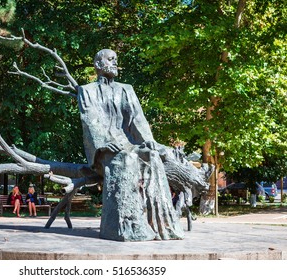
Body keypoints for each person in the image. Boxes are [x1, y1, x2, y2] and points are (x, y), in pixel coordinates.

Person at [77, 49, 211, 240]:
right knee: (127, 159)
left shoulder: (126, 89)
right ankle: (125, 226)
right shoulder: (87, 91)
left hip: (128, 145)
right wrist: (105, 143)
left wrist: (149, 141)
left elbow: (137, 119)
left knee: (153, 155)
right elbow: (90, 121)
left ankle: (160, 224)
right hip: (105, 151)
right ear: (98, 65)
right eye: (110, 59)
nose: (115, 62)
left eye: (116, 59)